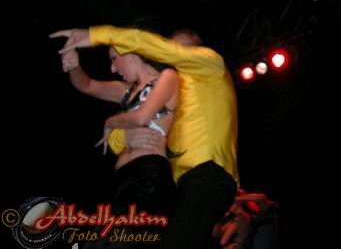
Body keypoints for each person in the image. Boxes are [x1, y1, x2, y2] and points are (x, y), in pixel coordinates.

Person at [51, 25, 239, 249]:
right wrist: (74, 66)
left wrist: (96, 35)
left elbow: (143, 117)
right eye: (171, 47)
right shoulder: (162, 86)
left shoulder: (209, 67)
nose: (175, 53)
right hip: (172, 180)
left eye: (184, 48)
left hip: (206, 171)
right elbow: (91, 89)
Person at [56, 40, 179, 242]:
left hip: (149, 175)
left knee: (110, 240)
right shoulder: (127, 91)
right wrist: (74, 66)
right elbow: (86, 84)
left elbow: (142, 117)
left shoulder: (167, 78)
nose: (113, 68)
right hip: (122, 177)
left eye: (114, 59)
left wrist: (110, 122)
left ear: (130, 51)